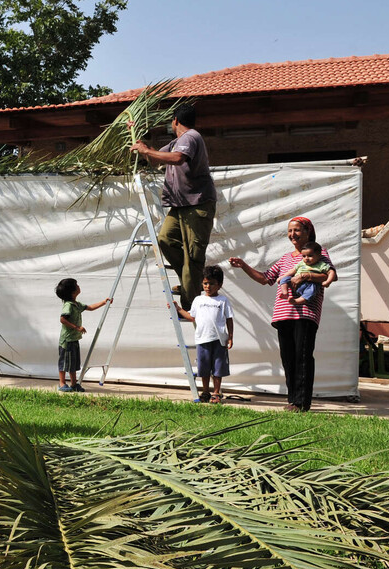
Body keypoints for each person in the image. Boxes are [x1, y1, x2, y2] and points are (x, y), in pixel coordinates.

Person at [229, 216, 337, 412]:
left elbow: (329, 275)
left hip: (305, 312)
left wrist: (304, 275)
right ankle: (292, 401)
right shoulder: (285, 259)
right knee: (288, 358)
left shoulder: (318, 253)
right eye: (289, 231)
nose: (292, 235)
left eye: (296, 230)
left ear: (308, 232)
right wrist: (243, 265)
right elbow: (265, 279)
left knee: (302, 356)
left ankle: (302, 403)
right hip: (283, 313)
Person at [131, 103, 217, 310]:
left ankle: (190, 304)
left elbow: (178, 159)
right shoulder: (176, 143)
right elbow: (153, 157)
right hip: (179, 205)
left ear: (176, 120)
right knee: (165, 240)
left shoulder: (190, 137)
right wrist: (136, 140)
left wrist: (145, 149)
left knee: (193, 255)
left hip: (197, 203)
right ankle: (190, 283)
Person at [171, 265, 234, 404]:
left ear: (219, 285)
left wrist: (230, 336)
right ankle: (205, 391)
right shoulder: (198, 300)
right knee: (204, 367)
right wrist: (178, 308)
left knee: (218, 368)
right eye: (205, 283)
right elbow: (191, 316)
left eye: (212, 283)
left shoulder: (223, 301)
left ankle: (216, 392)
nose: (208, 286)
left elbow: (229, 319)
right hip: (202, 339)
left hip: (219, 340)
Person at [55, 278, 111, 392]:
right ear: (73, 291)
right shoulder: (68, 306)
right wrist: (77, 327)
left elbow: (89, 307)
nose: (79, 286)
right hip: (66, 341)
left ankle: (74, 384)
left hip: (74, 339)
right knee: (64, 362)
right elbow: (62, 319)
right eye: (76, 285)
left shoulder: (76, 304)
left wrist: (104, 302)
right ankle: (62, 383)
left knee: (73, 363)